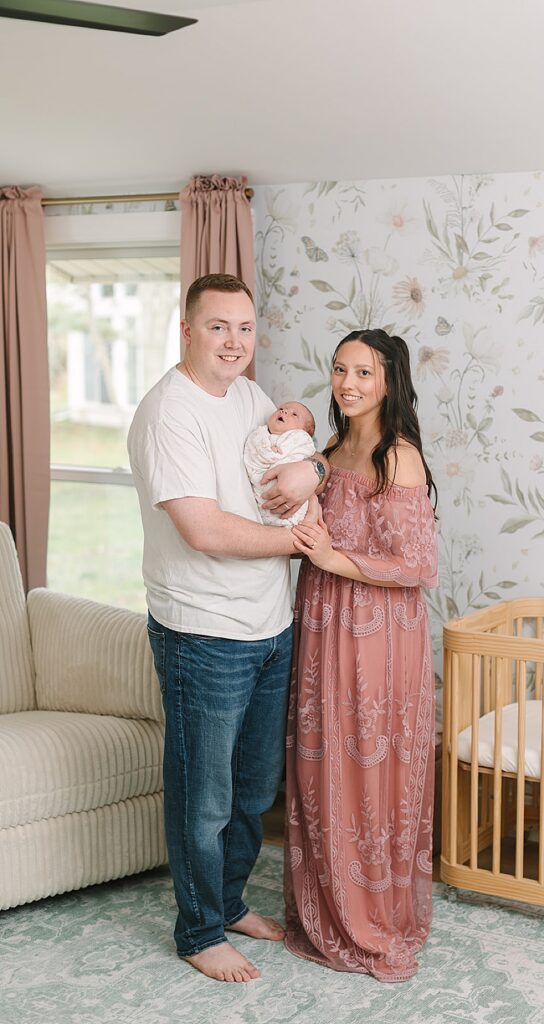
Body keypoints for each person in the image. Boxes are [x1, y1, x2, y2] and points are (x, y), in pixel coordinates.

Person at [127, 273, 328, 984]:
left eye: (244, 328)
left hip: (270, 624)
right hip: (203, 632)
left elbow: (293, 457)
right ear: (187, 331)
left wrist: (317, 467)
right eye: (218, 327)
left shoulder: (250, 396)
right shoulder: (168, 412)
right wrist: (302, 545)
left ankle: (231, 901)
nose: (234, 342)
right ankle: (199, 929)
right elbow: (203, 528)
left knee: (251, 789)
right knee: (202, 795)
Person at [284, 328, 439, 982]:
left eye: (364, 374)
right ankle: (326, 907)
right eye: (340, 370)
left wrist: (330, 557)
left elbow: (417, 565)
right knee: (323, 769)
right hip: (322, 621)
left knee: (370, 773)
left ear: (388, 382)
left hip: (377, 632)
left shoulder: (394, 455)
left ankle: (373, 916)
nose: (347, 384)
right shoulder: (328, 450)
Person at [244, 401, 316, 526]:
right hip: (263, 499)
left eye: (294, 414)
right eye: (281, 408)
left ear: (304, 431)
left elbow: (303, 455)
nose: (284, 411)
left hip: (293, 501)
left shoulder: (301, 439)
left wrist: (275, 455)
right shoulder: (260, 434)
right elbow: (252, 453)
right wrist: (267, 451)